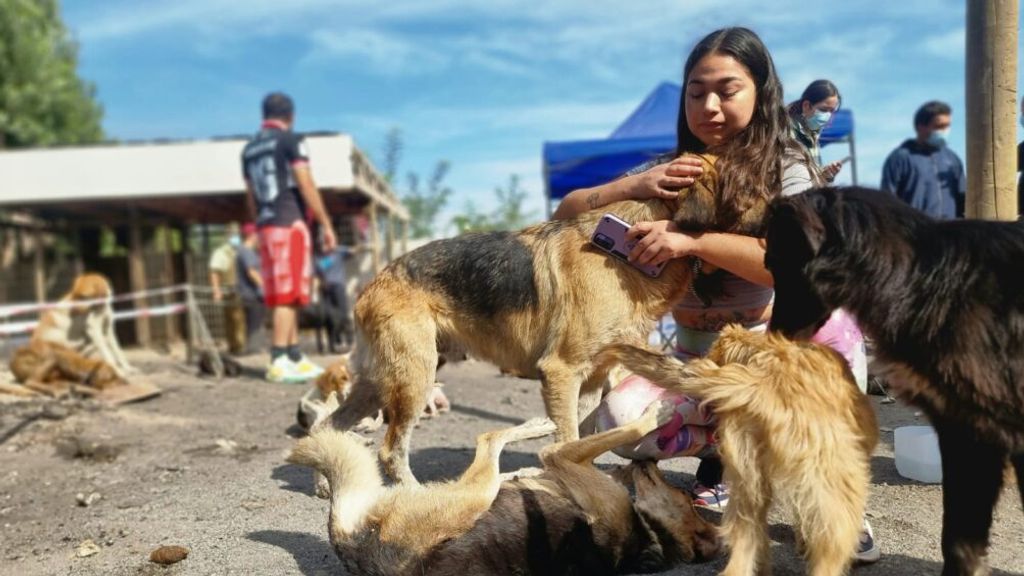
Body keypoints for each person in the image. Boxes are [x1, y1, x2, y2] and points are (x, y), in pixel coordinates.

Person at [553, 27, 880, 563]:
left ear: (761, 92)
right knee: (618, 423)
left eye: (727, 90)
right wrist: (629, 188)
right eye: (695, 91)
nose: (709, 106)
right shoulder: (670, 169)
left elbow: (804, 266)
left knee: (831, 338)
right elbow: (566, 215)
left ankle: (831, 486)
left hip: (782, 352)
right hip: (698, 356)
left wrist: (691, 240)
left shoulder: (789, 169)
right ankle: (730, 461)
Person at [242, 92, 337, 383]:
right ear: (291, 116)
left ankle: (294, 354)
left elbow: (250, 194)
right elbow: (305, 182)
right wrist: (325, 222)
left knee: (288, 293)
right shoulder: (292, 141)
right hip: (288, 222)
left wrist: (258, 224)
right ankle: (279, 357)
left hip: (266, 224)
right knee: (288, 293)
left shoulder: (249, 150)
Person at [880, 100, 966, 219]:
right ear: (920, 127)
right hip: (914, 232)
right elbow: (887, 201)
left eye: (947, 126)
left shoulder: (952, 159)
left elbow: (962, 198)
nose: (945, 131)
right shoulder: (900, 159)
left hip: (949, 231)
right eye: (939, 126)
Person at [787, 79, 845, 182]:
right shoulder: (786, 133)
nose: (828, 116)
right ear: (806, 106)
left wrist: (825, 175)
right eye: (824, 110)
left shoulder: (813, 135)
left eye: (832, 112)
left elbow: (810, 180)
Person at [209, 223, 246, 355]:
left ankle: (242, 345)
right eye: (232, 234)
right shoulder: (222, 252)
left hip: (245, 288)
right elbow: (215, 272)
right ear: (227, 235)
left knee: (241, 319)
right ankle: (235, 346)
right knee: (232, 319)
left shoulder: (244, 249)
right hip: (230, 288)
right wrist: (216, 290)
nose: (235, 236)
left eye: (237, 233)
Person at [235, 222, 266, 355]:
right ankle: (254, 349)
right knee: (254, 322)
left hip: (249, 293)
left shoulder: (245, 251)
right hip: (251, 294)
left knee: (254, 321)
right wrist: (264, 286)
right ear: (252, 235)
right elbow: (251, 272)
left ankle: (254, 347)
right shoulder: (246, 252)